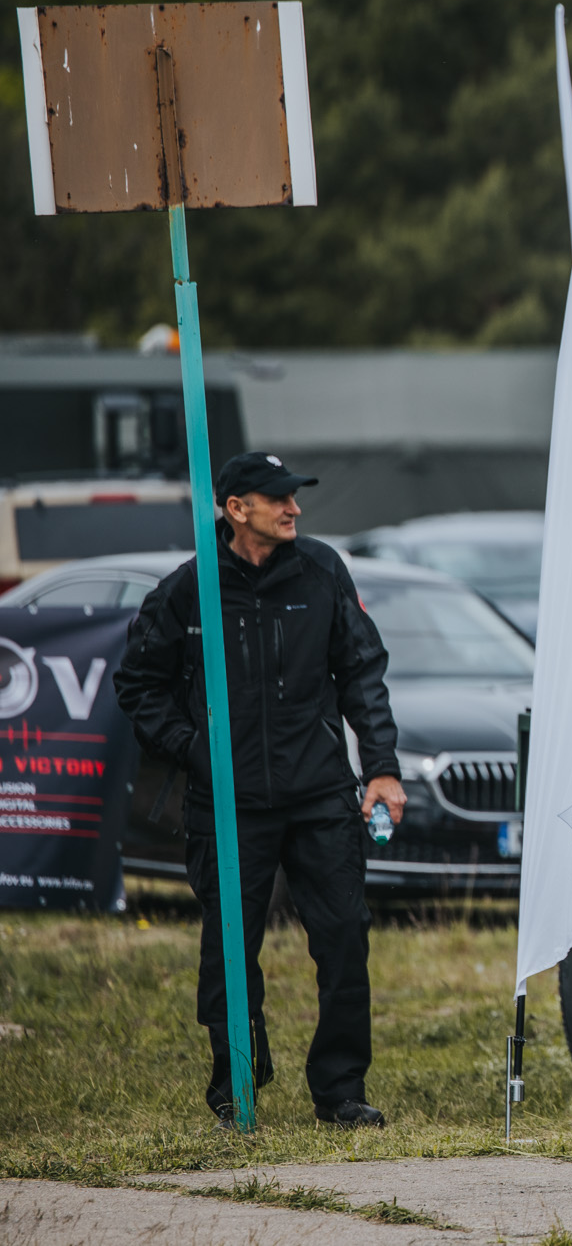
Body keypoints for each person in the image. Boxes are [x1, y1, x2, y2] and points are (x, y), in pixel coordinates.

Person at [113, 452, 404, 1129]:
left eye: (296, 497)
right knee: (228, 951)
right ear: (236, 509)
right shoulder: (191, 590)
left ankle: (340, 1090)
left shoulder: (324, 570)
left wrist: (382, 765)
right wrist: (194, 749)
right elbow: (138, 685)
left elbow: (362, 671)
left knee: (343, 938)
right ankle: (236, 1083)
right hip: (227, 802)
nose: (294, 509)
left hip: (318, 794)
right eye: (279, 499)